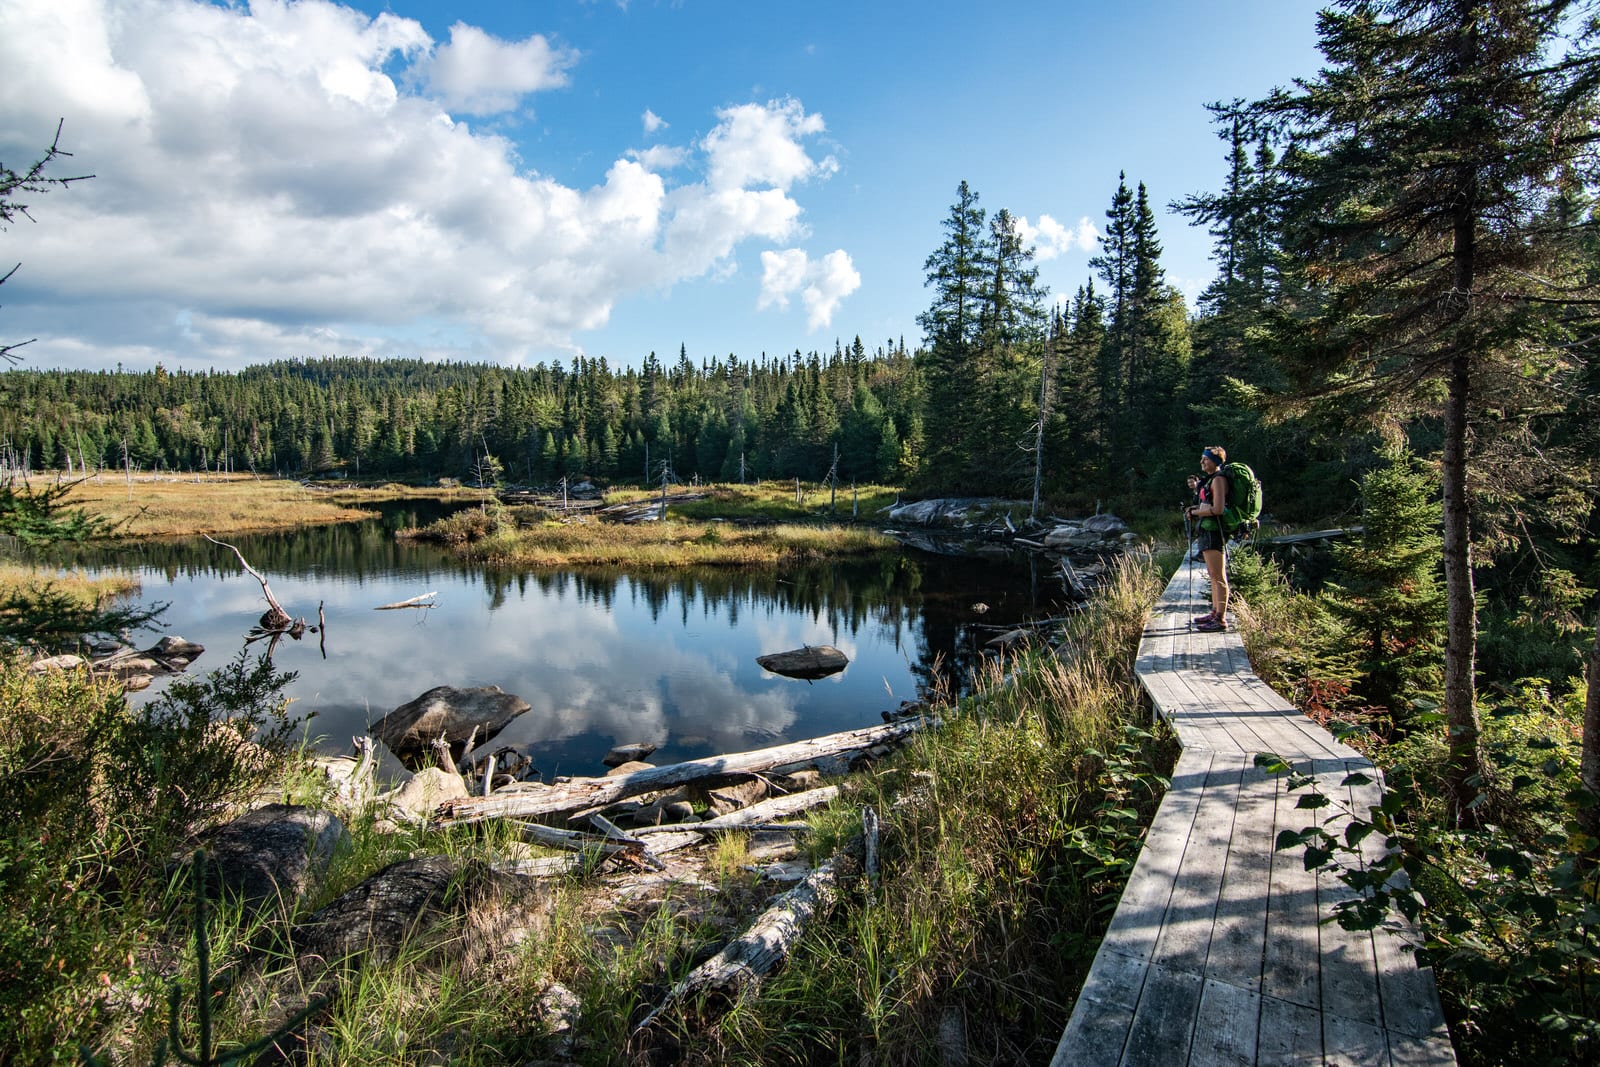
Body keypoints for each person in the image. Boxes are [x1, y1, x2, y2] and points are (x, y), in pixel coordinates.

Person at [1185, 446, 1231, 631]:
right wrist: (1195, 511)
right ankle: (1214, 611)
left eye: (1206, 459)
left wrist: (1195, 511)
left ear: (1216, 462)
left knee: (1218, 575)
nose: (1202, 462)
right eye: (1202, 459)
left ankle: (1220, 619)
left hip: (1214, 531)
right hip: (1206, 530)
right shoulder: (1210, 479)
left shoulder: (1219, 480)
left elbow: (1218, 509)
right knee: (1213, 575)